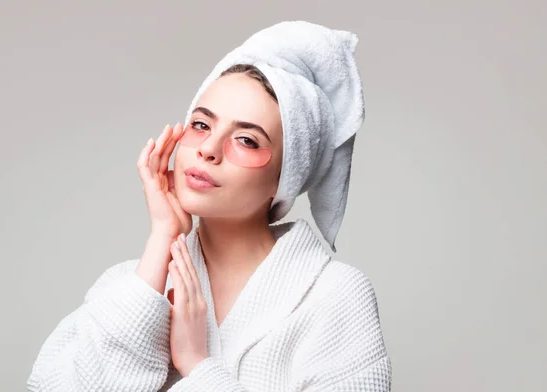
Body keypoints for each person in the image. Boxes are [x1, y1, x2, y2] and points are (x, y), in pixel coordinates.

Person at [26, 21, 392, 391]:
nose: (208, 149)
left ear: (285, 178)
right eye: (201, 124)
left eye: (247, 140)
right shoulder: (131, 287)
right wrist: (162, 239)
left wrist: (199, 368)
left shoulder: (335, 294)